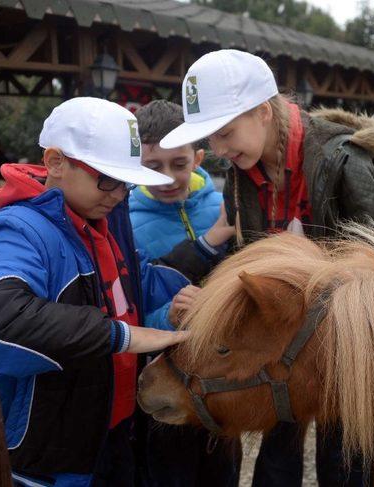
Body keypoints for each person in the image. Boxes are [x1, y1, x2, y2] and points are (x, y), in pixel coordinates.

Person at [160, 49, 374, 487]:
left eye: (225, 133)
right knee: (275, 455)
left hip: (342, 337)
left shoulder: (341, 158)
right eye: (210, 138)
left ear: (262, 112)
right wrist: (212, 298)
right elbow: (248, 255)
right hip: (280, 332)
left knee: (346, 458)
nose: (217, 150)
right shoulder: (242, 167)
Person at [0, 97, 190, 487]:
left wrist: (205, 295)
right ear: (55, 162)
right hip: (46, 457)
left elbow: (138, 280)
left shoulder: (101, 216)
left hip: (110, 433)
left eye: (126, 182)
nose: (117, 193)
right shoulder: (18, 232)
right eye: (106, 178)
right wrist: (120, 336)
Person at [129, 99, 240, 487]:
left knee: (223, 471)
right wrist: (169, 317)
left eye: (178, 164)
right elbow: (131, 312)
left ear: (198, 157)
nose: (167, 177)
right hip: (165, 377)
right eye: (152, 167)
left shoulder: (224, 204)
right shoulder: (125, 221)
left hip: (225, 372)